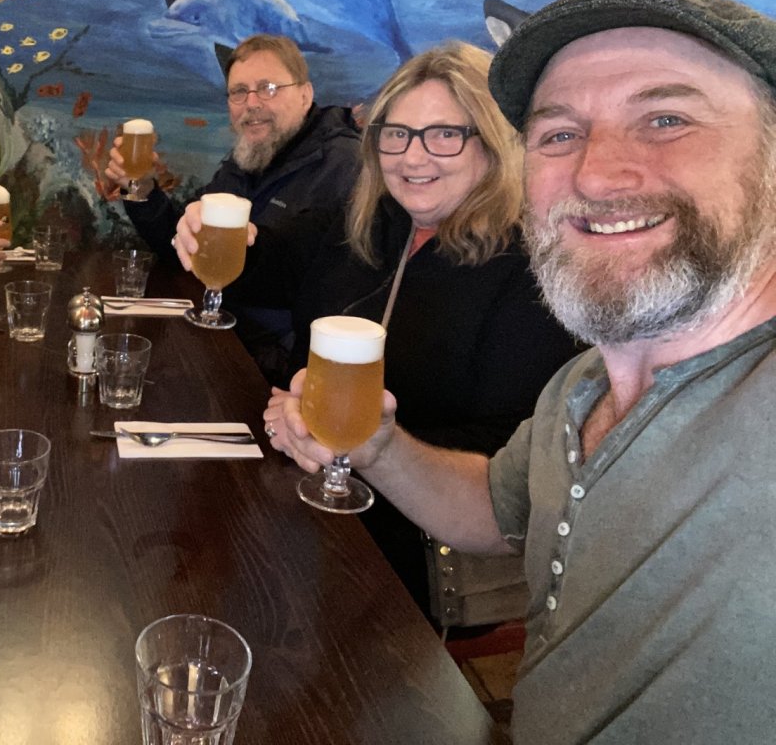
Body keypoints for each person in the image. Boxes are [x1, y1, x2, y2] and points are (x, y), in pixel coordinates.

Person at [265, 0, 776, 743]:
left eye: (666, 119)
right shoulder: (581, 386)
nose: (599, 174)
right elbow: (500, 514)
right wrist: (378, 445)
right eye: (560, 134)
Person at [179, 41, 579, 612]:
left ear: (493, 142)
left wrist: (359, 444)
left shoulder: (535, 271)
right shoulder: (368, 220)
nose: (413, 158)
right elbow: (266, 265)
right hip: (298, 503)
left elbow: (512, 462)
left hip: (415, 555)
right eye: (397, 133)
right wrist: (207, 231)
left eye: (445, 134)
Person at [107, 34, 362, 380]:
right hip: (224, 341)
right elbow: (186, 252)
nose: (251, 103)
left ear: (305, 95)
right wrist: (142, 189)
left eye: (268, 88)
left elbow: (306, 282)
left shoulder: (346, 164)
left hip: (281, 373)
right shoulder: (248, 156)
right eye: (238, 92)